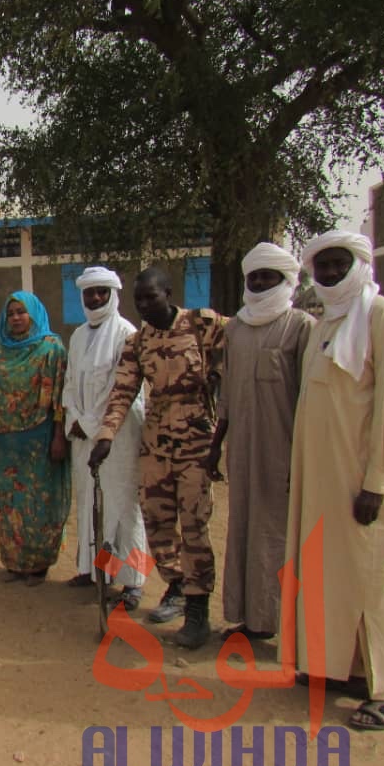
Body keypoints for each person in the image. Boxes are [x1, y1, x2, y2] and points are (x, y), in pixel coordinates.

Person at [284, 230, 384, 732]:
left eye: (337, 264)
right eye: (320, 266)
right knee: (334, 572)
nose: (327, 274)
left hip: (364, 484)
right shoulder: (326, 322)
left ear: (358, 264)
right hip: (323, 480)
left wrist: (378, 482)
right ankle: (349, 667)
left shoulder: (382, 317)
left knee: (377, 577)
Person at [89, 267, 226, 649]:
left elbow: (240, 346)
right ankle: (177, 585)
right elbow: (122, 392)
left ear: (168, 292)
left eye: (152, 297)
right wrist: (105, 436)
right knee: (156, 518)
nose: (146, 306)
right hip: (157, 441)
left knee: (195, 521)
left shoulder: (203, 323)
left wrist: (218, 377)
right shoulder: (138, 342)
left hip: (197, 439)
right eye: (140, 301)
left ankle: (198, 610)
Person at [204, 243, 313, 640]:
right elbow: (228, 395)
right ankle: (246, 618)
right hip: (242, 450)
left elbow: (308, 398)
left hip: (282, 450)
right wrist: (216, 446)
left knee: (275, 533)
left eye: (269, 276)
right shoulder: (236, 329)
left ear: (286, 280)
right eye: (255, 276)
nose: (261, 282)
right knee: (243, 529)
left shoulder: (301, 326)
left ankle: (279, 622)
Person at [62, 268, 147, 608]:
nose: (94, 298)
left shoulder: (127, 333)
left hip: (118, 434)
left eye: (101, 292)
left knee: (124, 505)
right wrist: (76, 418)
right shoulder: (79, 335)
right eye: (89, 293)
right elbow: (70, 382)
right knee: (89, 501)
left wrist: (95, 422)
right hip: (82, 433)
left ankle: (133, 583)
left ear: (113, 294)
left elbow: (122, 388)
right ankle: (95, 570)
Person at [0, 291, 69, 586]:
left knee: (39, 503)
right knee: (10, 502)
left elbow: (60, 399)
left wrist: (58, 436)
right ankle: (15, 563)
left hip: (40, 440)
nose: (16, 318)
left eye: (21, 312)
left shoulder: (52, 349)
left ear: (34, 314)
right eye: (12, 312)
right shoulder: (2, 351)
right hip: (8, 442)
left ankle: (40, 564)